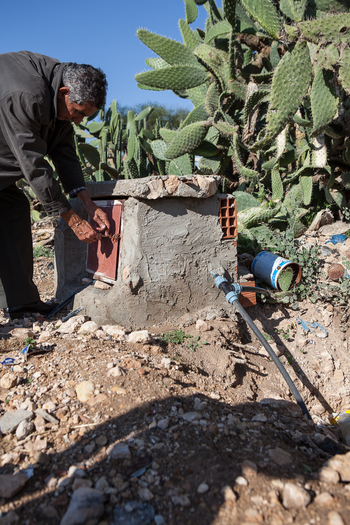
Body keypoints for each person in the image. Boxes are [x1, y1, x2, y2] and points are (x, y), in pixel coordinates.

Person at [0, 50, 110, 319]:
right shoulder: (26, 96)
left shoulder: (57, 99)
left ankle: (21, 303)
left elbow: (65, 155)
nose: (77, 121)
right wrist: (73, 220)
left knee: (12, 208)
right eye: (77, 113)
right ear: (64, 92)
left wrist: (88, 203)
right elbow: (35, 166)